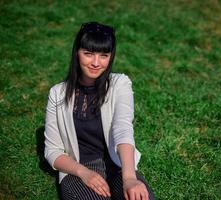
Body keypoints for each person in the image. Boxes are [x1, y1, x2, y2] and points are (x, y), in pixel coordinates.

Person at [44, 21, 155, 200]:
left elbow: (123, 129)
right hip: (79, 168)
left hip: (117, 164)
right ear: (77, 53)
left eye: (104, 55)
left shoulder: (120, 84)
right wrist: (83, 173)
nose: (96, 63)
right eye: (88, 54)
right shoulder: (57, 93)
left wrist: (129, 178)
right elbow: (52, 151)